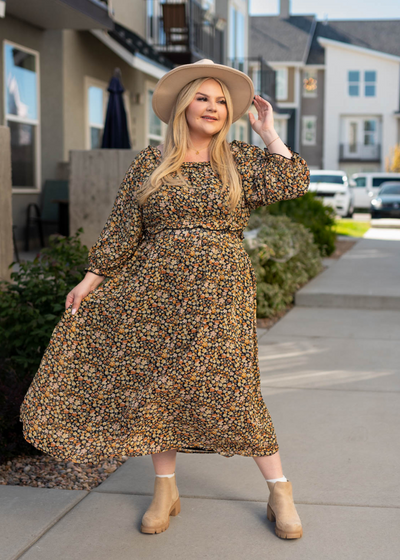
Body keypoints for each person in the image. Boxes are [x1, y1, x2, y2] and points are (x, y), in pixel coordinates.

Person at [20, 59, 310, 539]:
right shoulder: (149, 164)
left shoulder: (240, 159)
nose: (213, 108)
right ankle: (165, 489)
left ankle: (280, 489)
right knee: (161, 387)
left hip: (221, 293)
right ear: (183, 105)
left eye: (221, 101)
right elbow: (121, 231)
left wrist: (267, 132)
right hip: (154, 294)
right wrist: (90, 281)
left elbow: (293, 180)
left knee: (234, 388)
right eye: (203, 97)